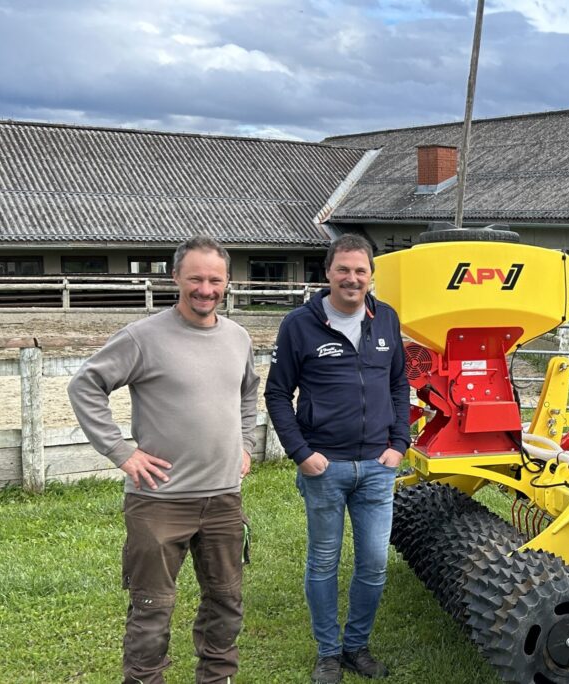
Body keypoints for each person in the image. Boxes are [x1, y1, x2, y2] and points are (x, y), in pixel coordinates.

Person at [68, 236, 259, 684]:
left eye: (215, 280)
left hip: (223, 499)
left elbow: (248, 391)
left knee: (226, 601)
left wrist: (246, 443)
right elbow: (85, 386)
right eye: (195, 278)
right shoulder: (143, 337)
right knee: (152, 608)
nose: (205, 289)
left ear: (227, 282)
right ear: (176, 278)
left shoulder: (238, 337)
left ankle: (216, 677)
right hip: (159, 501)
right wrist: (122, 451)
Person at [265, 233, 410, 684]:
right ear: (327, 272)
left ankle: (357, 647)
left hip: (376, 468)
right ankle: (329, 652)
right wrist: (301, 454)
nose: (352, 278)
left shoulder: (386, 320)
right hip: (323, 468)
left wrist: (398, 444)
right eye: (343, 269)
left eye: (360, 270)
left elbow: (399, 385)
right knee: (324, 561)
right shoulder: (299, 324)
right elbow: (276, 393)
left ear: (371, 275)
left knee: (374, 563)